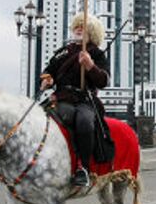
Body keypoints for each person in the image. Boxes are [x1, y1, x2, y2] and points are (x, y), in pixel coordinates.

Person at [40, 13, 112, 187]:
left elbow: (104, 81)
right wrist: (47, 80)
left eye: (84, 26)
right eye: (77, 26)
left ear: (91, 32)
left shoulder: (96, 53)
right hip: (61, 98)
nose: (79, 29)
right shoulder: (62, 52)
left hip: (84, 100)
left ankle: (83, 168)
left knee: (85, 122)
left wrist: (90, 66)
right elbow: (48, 72)